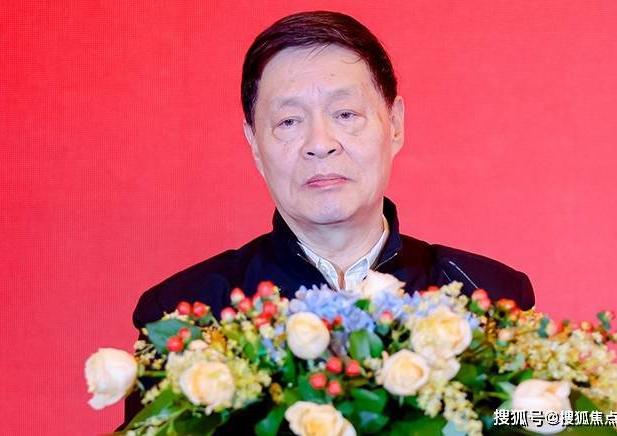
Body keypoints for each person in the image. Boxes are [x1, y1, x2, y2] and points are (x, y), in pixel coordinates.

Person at [122, 10, 535, 431]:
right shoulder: (185, 316)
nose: (320, 144)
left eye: (346, 114)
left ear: (394, 125)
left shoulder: (489, 298)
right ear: (255, 145)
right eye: (289, 121)